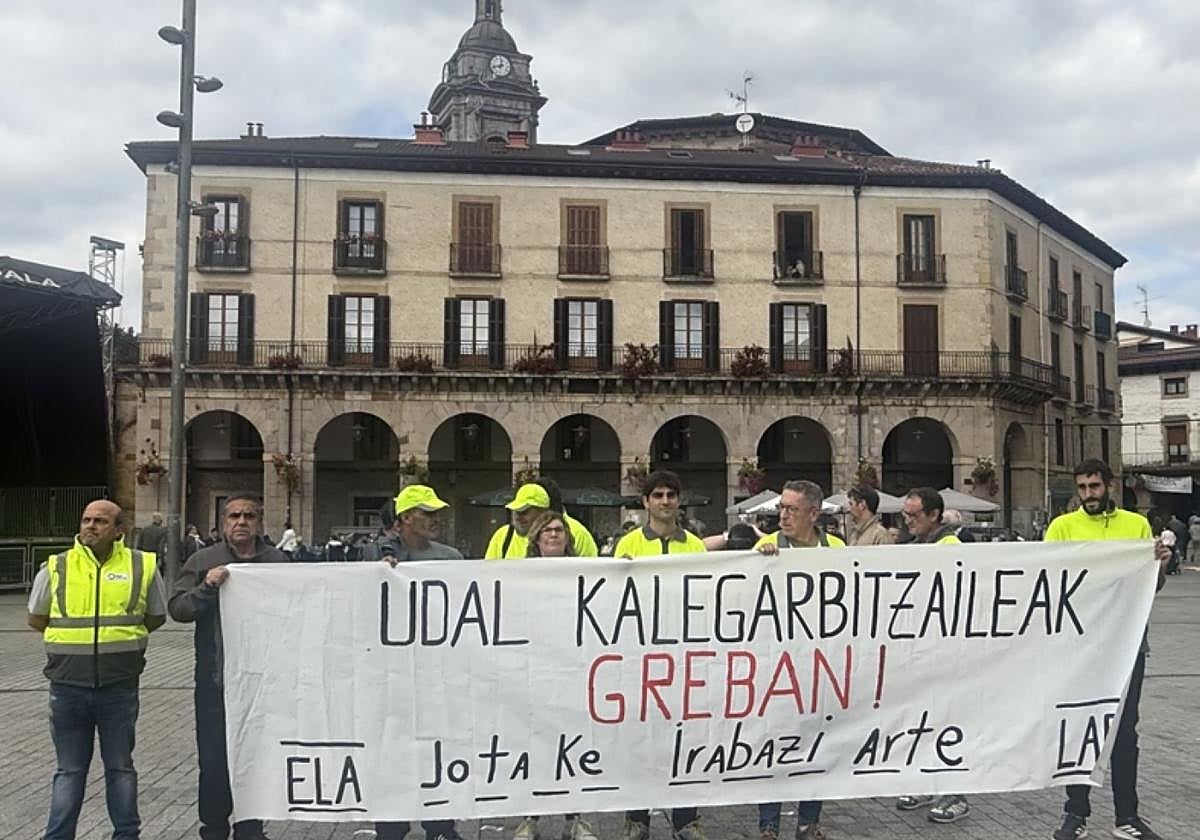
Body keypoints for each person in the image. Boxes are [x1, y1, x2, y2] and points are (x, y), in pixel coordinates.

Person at [1046, 459, 1171, 840]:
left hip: (1128, 644)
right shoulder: (1061, 527)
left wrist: (1161, 565)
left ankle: (1127, 816)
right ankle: (1076, 812)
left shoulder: (1135, 525)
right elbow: (1048, 579)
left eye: (1094, 487)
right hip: (1079, 647)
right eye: (1082, 488)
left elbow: (1152, 585)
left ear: (1109, 486)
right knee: (1080, 727)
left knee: (1125, 732)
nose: (1088, 495)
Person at [27, 499, 166, 840]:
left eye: (100, 521)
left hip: (119, 685)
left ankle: (126, 834)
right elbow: (35, 617)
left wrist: (118, 642)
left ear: (119, 530)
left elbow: (156, 615)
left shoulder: (142, 565)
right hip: (67, 686)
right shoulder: (57, 566)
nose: (90, 526)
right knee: (69, 771)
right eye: (86, 519)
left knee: (120, 768)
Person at [169, 494, 289, 840]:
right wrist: (207, 587)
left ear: (259, 522)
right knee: (214, 763)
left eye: (249, 515)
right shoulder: (203, 560)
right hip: (215, 682)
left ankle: (251, 827)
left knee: (255, 759)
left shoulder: (277, 562)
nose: (241, 521)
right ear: (224, 522)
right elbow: (178, 608)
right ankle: (214, 829)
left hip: (263, 683)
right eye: (234, 515)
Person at [612, 470, 707, 840]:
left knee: (686, 739)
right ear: (646, 502)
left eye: (671, 494)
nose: (665, 501)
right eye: (658, 495)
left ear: (678, 500)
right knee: (639, 741)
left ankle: (686, 818)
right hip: (641, 657)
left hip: (685, 657)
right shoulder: (629, 545)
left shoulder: (695, 546)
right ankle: (637, 818)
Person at [373, 485, 464, 840]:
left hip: (436, 672)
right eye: (426, 513)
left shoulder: (451, 557)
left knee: (436, 747)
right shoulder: (375, 557)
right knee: (392, 751)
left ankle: (440, 825)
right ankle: (391, 826)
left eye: (436, 512)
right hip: (391, 674)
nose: (435, 519)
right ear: (405, 519)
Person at [753, 480, 841, 840]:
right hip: (776, 665)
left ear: (814, 513)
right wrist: (760, 562)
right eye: (781, 509)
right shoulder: (767, 546)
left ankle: (808, 822)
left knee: (815, 746)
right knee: (772, 745)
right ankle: (768, 825)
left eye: (791, 510)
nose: (783, 516)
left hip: (821, 665)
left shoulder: (836, 548)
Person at [509, 511, 600, 840]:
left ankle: (575, 818)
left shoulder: (583, 572)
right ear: (535, 538)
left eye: (559, 530)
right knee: (533, 745)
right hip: (532, 670)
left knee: (573, 744)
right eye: (546, 530)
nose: (553, 535)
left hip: (573, 669)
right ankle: (529, 818)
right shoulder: (517, 574)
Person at [893, 486, 967, 824]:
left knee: (947, 719)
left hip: (946, 653)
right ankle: (926, 782)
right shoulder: (917, 545)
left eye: (914, 515)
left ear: (934, 515)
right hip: (922, 650)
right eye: (905, 514)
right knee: (923, 719)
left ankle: (955, 793)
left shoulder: (949, 546)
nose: (907, 520)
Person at [484, 482, 598, 559]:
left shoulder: (578, 534)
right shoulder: (503, 536)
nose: (518, 517)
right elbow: (488, 575)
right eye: (515, 511)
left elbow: (591, 574)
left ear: (543, 513)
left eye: (525, 512)